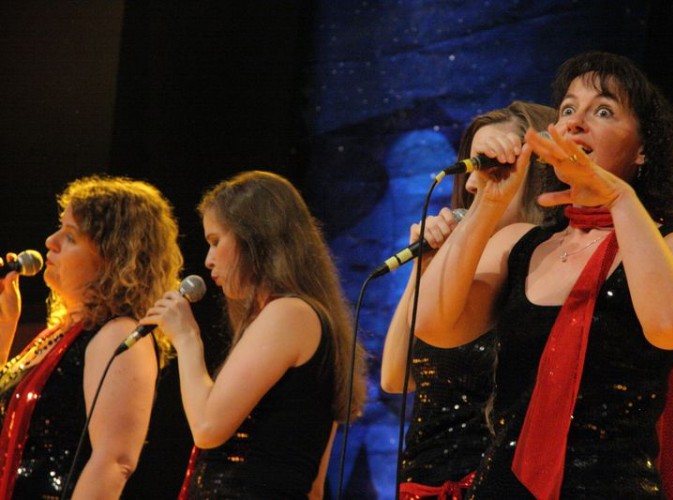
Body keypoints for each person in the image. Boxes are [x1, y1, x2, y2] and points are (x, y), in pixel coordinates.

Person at [413, 51, 673, 499]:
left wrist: (619, 199)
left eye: (603, 111)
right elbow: (433, 326)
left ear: (643, 149)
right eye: (568, 109)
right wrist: (489, 202)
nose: (575, 122)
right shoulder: (520, 244)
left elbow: (671, 327)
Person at [140, 170, 367, 499]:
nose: (208, 260)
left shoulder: (289, 314)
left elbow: (207, 427)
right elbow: (315, 487)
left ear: (255, 239)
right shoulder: (300, 316)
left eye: (216, 242)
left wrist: (187, 338)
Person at [380, 101, 564, 499]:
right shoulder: (461, 264)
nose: (472, 184)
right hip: (421, 485)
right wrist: (424, 267)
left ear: (535, 173)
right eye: (471, 167)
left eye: (488, 164)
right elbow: (394, 376)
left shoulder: (539, 258)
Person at [0, 175, 183, 499]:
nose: (51, 241)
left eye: (70, 236)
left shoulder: (119, 335)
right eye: (59, 229)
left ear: (113, 259)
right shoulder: (62, 333)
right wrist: (5, 323)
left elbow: (114, 462)